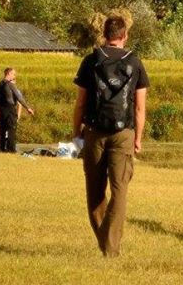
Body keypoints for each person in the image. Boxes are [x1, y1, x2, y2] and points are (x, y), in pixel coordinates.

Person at [73, 15, 149, 258]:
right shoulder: (135, 62)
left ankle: (106, 243)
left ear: (104, 35)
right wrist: (138, 138)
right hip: (123, 132)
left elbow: (80, 103)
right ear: (124, 36)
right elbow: (139, 107)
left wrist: (77, 131)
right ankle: (111, 247)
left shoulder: (91, 60)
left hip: (94, 132)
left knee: (94, 192)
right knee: (120, 190)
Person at [0, 67, 35, 153]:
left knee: (1, 130)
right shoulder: (10, 84)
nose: (14, 76)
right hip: (10, 110)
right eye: (13, 74)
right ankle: (11, 149)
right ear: (8, 74)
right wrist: (28, 108)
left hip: (1, 110)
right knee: (11, 130)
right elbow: (19, 97)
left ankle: (1, 149)